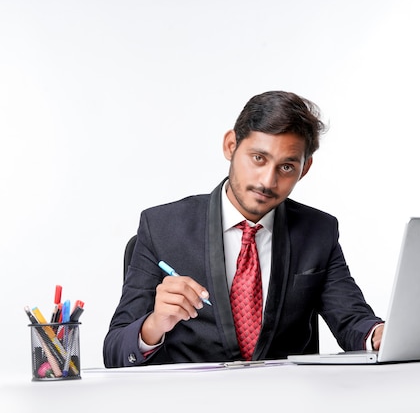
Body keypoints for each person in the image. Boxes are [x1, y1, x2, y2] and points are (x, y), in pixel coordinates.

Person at [103, 90, 384, 367]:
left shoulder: (318, 231)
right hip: (192, 401)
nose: (267, 181)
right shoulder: (162, 228)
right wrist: (153, 325)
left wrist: (380, 335)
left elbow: (353, 322)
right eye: (258, 158)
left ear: (305, 168)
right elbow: (114, 351)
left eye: (286, 167)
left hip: (284, 400)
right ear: (230, 145)